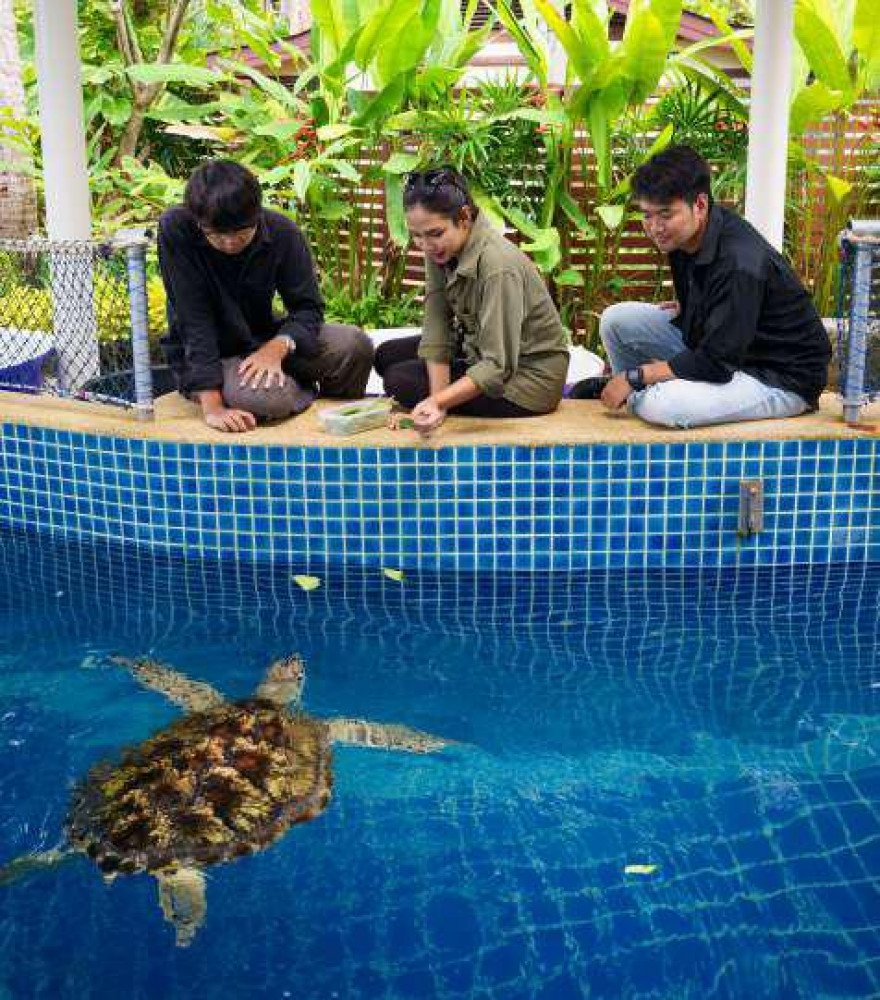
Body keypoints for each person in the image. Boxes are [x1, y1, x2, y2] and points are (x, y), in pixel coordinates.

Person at [571, 144, 831, 428]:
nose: (655, 227)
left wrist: (639, 376)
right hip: (728, 348)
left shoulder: (739, 261)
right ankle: (627, 391)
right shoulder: (683, 238)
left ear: (700, 205)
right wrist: (693, 303)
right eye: (647, 215)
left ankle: (632, 391)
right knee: (617, 321)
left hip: (779, 376)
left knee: (668, 405)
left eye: (666, 214)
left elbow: (716, 363)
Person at [158, 160, 373, 433]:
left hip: (263, 338)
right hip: (214, 355)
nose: (229, 243)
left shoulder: (283, 232)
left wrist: (276, 347)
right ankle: (291, 389)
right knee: (267, 398)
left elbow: (308, 308)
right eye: (216, 235)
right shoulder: (177, 229)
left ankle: (326, 414)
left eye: (240, 233)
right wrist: (213, 408)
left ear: (257, 214)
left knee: (354, 345)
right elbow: (193, 320)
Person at [375, 167, 569, 435]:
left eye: (434, 233)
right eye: (417, 236)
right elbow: (437, 326)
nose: (426, 245)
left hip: (526, 379)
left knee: (400, 379)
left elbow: (497, 366)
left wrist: (436, 401)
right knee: (386, 356)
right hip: (476, 350)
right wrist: (440, 403)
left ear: (464, 217)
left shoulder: (498, 266)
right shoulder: (439, 250)